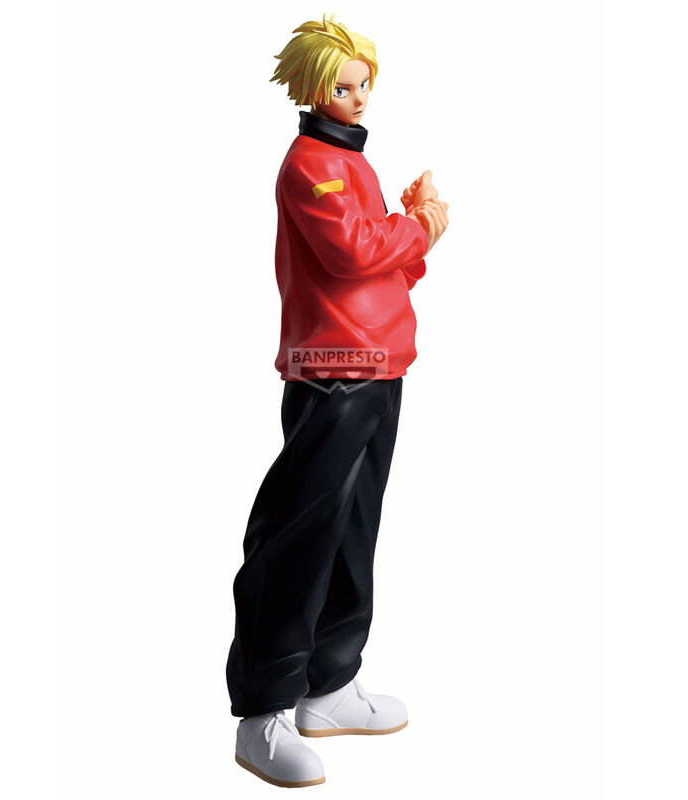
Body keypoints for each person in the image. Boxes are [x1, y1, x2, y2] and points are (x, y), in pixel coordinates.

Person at [225, 14, 449, 787]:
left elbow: (379, 263)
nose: (358, 97)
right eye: (344, 86)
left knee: (354, 530)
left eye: (363, 84)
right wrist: (414, 227)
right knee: (300, 535)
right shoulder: (312, 165)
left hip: (379, 363)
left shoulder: (351, 161)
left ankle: (329, 684)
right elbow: (353, 252)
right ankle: (263, 711)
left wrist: (415, 232)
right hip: (333, 368)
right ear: (313, 88)